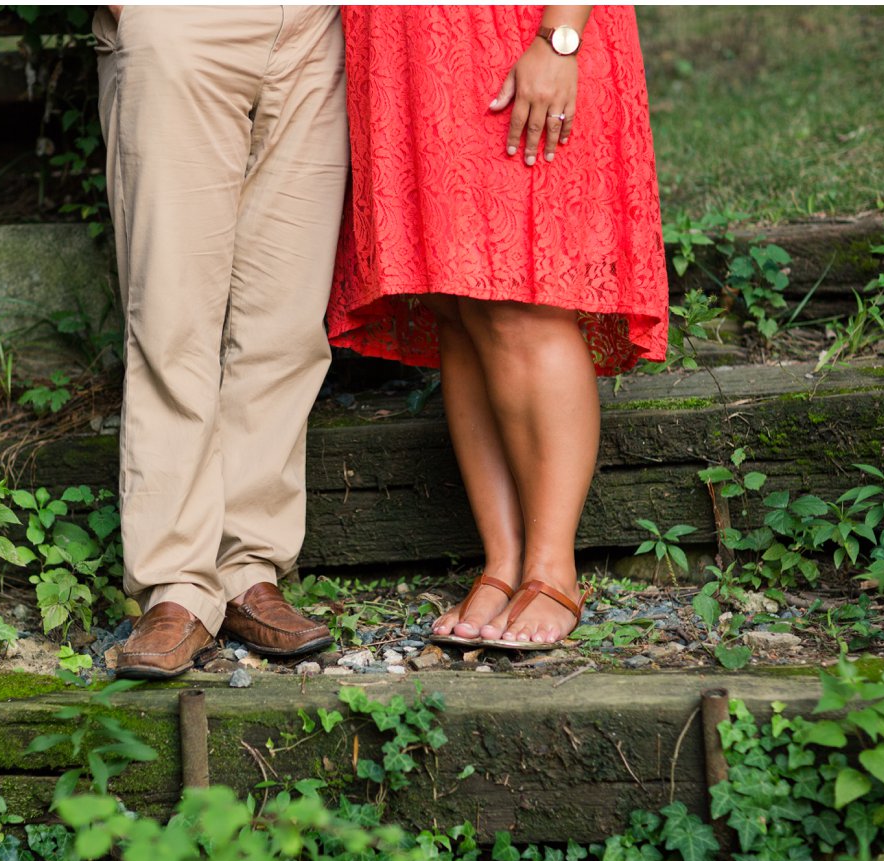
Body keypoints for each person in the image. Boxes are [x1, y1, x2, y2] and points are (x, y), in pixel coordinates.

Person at [329, 5, 669, 649]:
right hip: (408, 41)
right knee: (457, 299)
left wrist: (560, 38)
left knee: (523, 301)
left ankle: (552, 569)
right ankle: (503, 562)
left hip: (516, 30)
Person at [93, 5, 347, 677]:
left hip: (315, 27)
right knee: (171, 317)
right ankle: (176, 583)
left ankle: (247, 569)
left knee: (285, 322)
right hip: (183, 20)